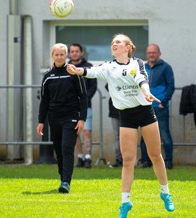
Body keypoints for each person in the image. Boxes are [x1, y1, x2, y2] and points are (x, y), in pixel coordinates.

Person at [67, 34, 174, 218]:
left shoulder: (137, 63)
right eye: (112, 43)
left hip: (145, 112)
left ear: (127, 47)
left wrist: (147, 93)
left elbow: (142, 80)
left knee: (155, 155)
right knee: (128, 160)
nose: (114, 44)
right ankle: (125, 202)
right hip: (126, 116)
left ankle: (165, 193)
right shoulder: (109, 67)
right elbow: (92, 72)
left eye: (118, 42)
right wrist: (78, 71)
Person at [37, 43, 87, 193]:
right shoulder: (48, 76)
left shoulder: (73, 73)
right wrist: (41, 121)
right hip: (54, 118)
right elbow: (44, 100)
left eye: (62, 54)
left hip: (71, 117)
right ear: (52, 56)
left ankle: (66, 182)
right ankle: (63, 176)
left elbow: (83, 96)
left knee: (66, 148)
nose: (59, 57)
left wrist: (82, 118)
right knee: (58, 150)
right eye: (56, 55)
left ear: (66, 56)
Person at [139, 43, 175, 169]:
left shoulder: (166, 68)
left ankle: (169, 161)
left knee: (164, 135)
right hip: (145, 107)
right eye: (149, 53)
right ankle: (145, 161)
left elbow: (171, 86)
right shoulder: (142, 67)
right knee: (144, 137)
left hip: (160, 107)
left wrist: (163, 103)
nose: (151, 55)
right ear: (146, 54)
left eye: (153, 52)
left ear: (159, 54)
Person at [68, 43, 97, 168]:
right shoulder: (66, 67)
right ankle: (79, 157)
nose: (74, 53)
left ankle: (88, 158)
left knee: (87, 132)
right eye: (72, 51)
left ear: (81, 53)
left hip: (86, 106)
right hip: (71, 106)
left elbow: (93, 87)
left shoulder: (88, 67)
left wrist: (84, 99)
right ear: (69, 53)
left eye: (76, 51)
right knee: (75, 133)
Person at [105, 83, 122, 168]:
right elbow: (107, 86)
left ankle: (127, 159)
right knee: (117, 136)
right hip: (114, 110)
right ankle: (119, 159)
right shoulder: (114, 75)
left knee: (126, 135)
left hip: (126, 110)